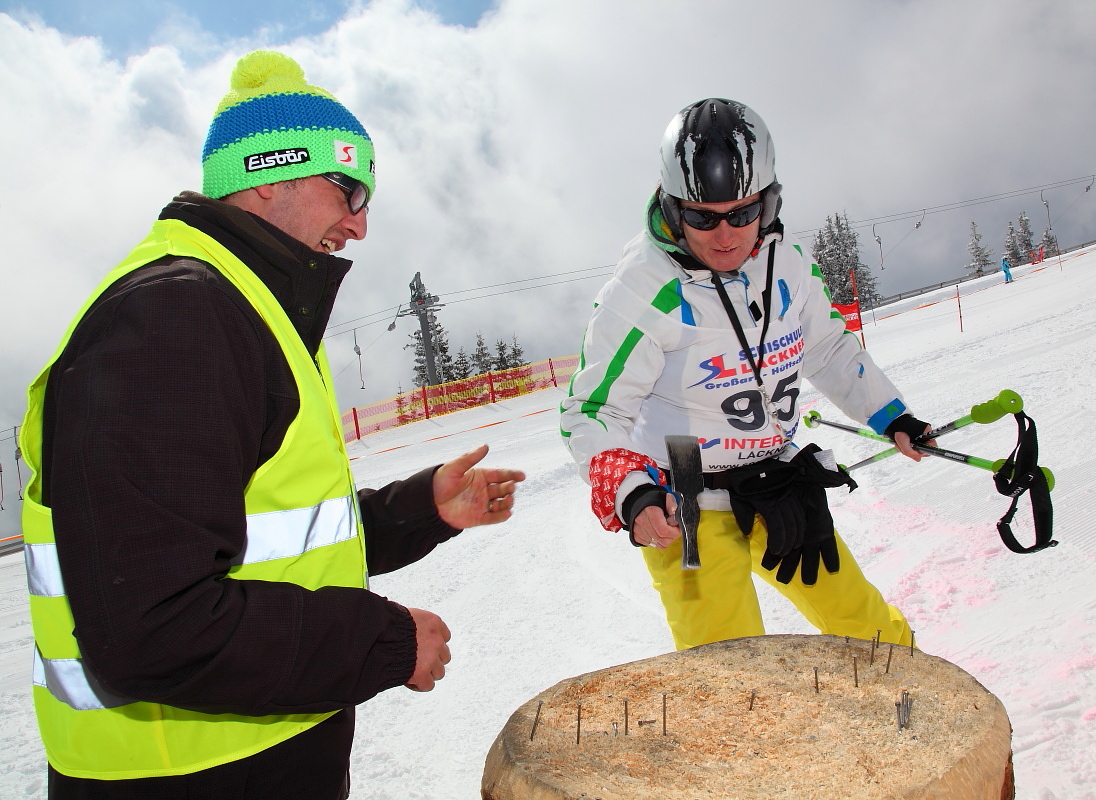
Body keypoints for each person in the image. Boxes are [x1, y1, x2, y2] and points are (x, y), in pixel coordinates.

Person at [20, 50, 524, 799]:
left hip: (246, 759)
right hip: (184, 774)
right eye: (348, 188)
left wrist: (422, 510)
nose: (359, 222)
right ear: (268, 174)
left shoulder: (245, 309)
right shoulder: (176, 316)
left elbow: (258, 540)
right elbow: (151, 627)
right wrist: (383, 643)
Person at [560, 98, 932, 653]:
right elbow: (593, 412)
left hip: (775, 482)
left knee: (870, 632)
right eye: (701, 217)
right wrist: (631, 493)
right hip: (683, 507)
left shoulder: (788, 264)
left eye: (742, 213)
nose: (725, 235)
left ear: (769, 202)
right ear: (672, 207)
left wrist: (892, 415)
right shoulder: (643, 291)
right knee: (729, 678)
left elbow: (828, 349)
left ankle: (915, 711)